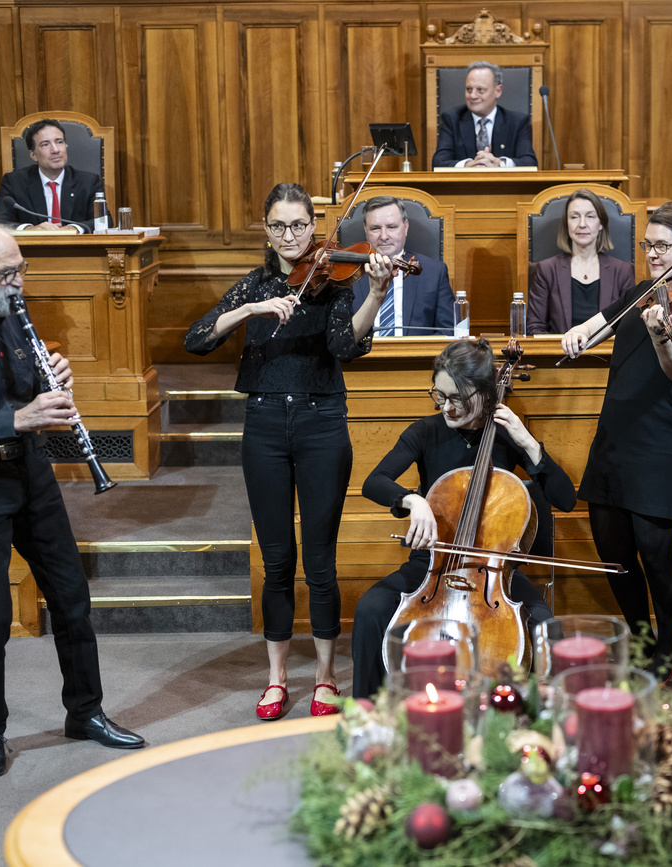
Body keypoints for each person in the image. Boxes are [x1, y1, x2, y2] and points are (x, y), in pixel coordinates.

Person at [0, 222, 144, 777]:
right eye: (7, 273)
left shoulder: (10, 307)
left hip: (31, 473)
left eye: (21, 270)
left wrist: (50, 377)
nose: (18, 283)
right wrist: (18, 418)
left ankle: (85, 712)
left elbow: (24, 386)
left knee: (71, 596)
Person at [185, 183, 392, 721]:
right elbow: (197, 337)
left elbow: (346, 346)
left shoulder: (334, 280)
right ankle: (276, 677)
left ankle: (324, 676)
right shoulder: (254, 285)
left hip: (322, 422)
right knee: (276, 559)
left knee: (320, 559)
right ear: (266, 229)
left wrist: (374, 295)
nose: (290, 236)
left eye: (299, 225)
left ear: (313, 226)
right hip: (265, 424)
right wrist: (250, 309)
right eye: (279, 226)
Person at [351, 338, 575, 698]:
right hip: (432, 565)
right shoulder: (425, 431)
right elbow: (374, 482)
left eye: (456, 398)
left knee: (547, 628)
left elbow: (566, 499)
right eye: (439, 395)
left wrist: (528, 443)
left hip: (494, 572)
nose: (446, 407)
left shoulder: (506, 436)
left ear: (486, 395)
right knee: (370, 608)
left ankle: (536, 718)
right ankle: (368, 713)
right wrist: (413, 500)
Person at [561, 202, 672, 684]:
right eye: (647, 244)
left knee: (655, 552)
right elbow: (595, 325)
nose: (651, 253)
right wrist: (576, 335)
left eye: (661, 246)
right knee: (613, 553)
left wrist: (660, 337)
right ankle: (643, 640)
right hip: (617, 434)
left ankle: (668, 649)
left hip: (664, 440)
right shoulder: (640, 293)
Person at [527, 189, 637, 334]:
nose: (582, 224)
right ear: (567, 224)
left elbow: (629, 327)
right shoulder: (547, 270)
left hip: (609, 349)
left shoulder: (622, 271)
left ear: (601, 224)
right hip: (561, 348)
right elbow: (534, 327)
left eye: (590, 216)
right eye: (574, 217)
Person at [349, 196, 454, 336]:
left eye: (391, 227)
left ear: (406, 227)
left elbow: (449, 332)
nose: (384, 236)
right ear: (365, 231)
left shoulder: (434, 272)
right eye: (375, 228)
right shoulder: (347, 274)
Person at [0, 119, 107, 232]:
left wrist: (74, 228)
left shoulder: (89, 182)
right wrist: (30, 229)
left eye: (59, 142)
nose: (55, 150)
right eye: (45, 144)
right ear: (33, 155)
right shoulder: (14, 182)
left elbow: (104, 221)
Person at [432, 61, 537, 168]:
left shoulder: (517, 122)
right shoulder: (451, 119)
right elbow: (438, 162)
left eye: (480, 90)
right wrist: (469, 165)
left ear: (498, 91)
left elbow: (530, 162)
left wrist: (499, 163)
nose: (473, 96)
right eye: (469, 89)